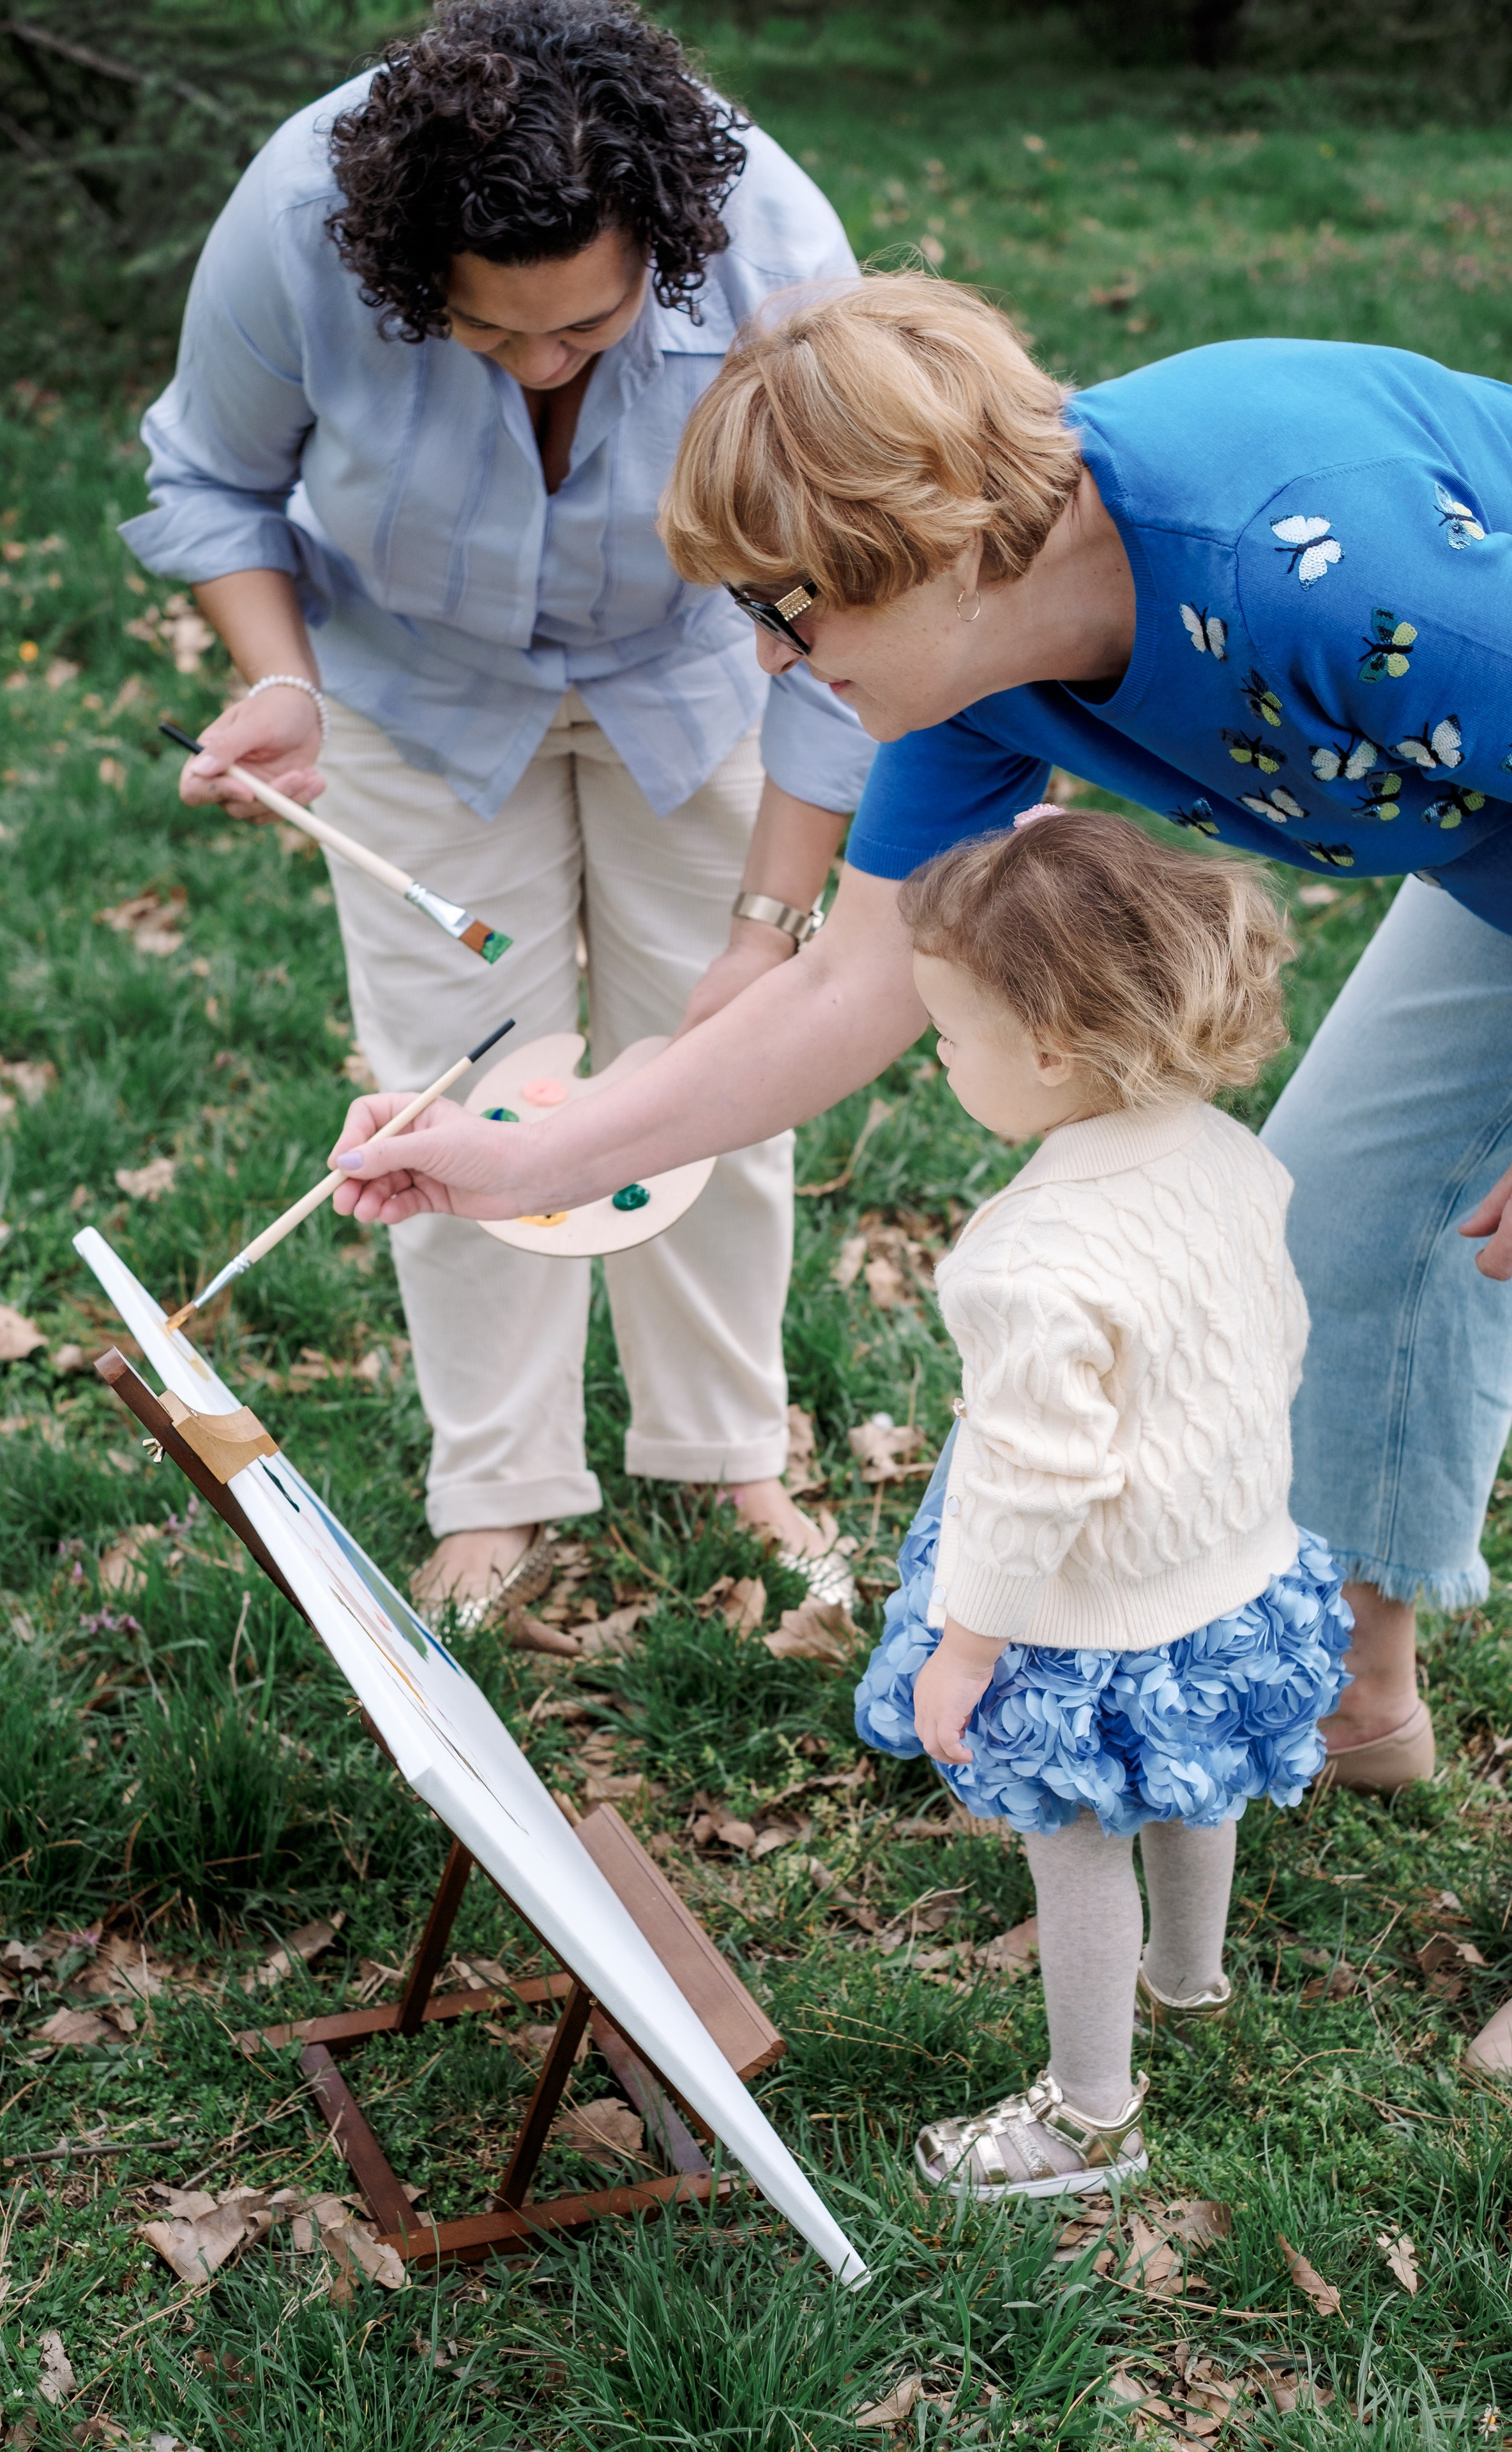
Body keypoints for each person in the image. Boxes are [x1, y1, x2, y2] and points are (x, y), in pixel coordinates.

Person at [328, 275, 1512, 1850]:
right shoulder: (971, 675)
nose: (767, 662)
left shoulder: (1317, 574)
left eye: (785, 607)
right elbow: (847, 990)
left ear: (936, 539)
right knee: (1343, 1220)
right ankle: (1359, 1704)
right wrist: (519, 1160)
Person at [121, 0, 873, 1624]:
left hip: (701, 666)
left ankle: (725, 1447)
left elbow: (852, 586)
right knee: (453, 1076)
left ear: (663, 247)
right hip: (411, 687)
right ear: (404, 273)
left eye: (586, 331)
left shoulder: (774, 247)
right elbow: (210, 478)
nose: (541, 364)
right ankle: (498, 1486)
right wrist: (283, 685)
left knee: (715, 1050)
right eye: (490, 334)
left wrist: (767, 923)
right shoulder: (295, 221)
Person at [851, 806, 1350, 2194]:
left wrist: (965, 1646)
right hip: (1234, 1557)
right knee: (1198, 1786)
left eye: (948, 1037)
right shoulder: (1225, 1151)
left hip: (1086, 1615)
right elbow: (1276, 1336)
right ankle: (1186, 1980)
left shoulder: (1031, 1256)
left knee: (1070, 1845)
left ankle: (1087, 2115)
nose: (939, 1060)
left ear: (1050, 1049)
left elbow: (1029, 1485)